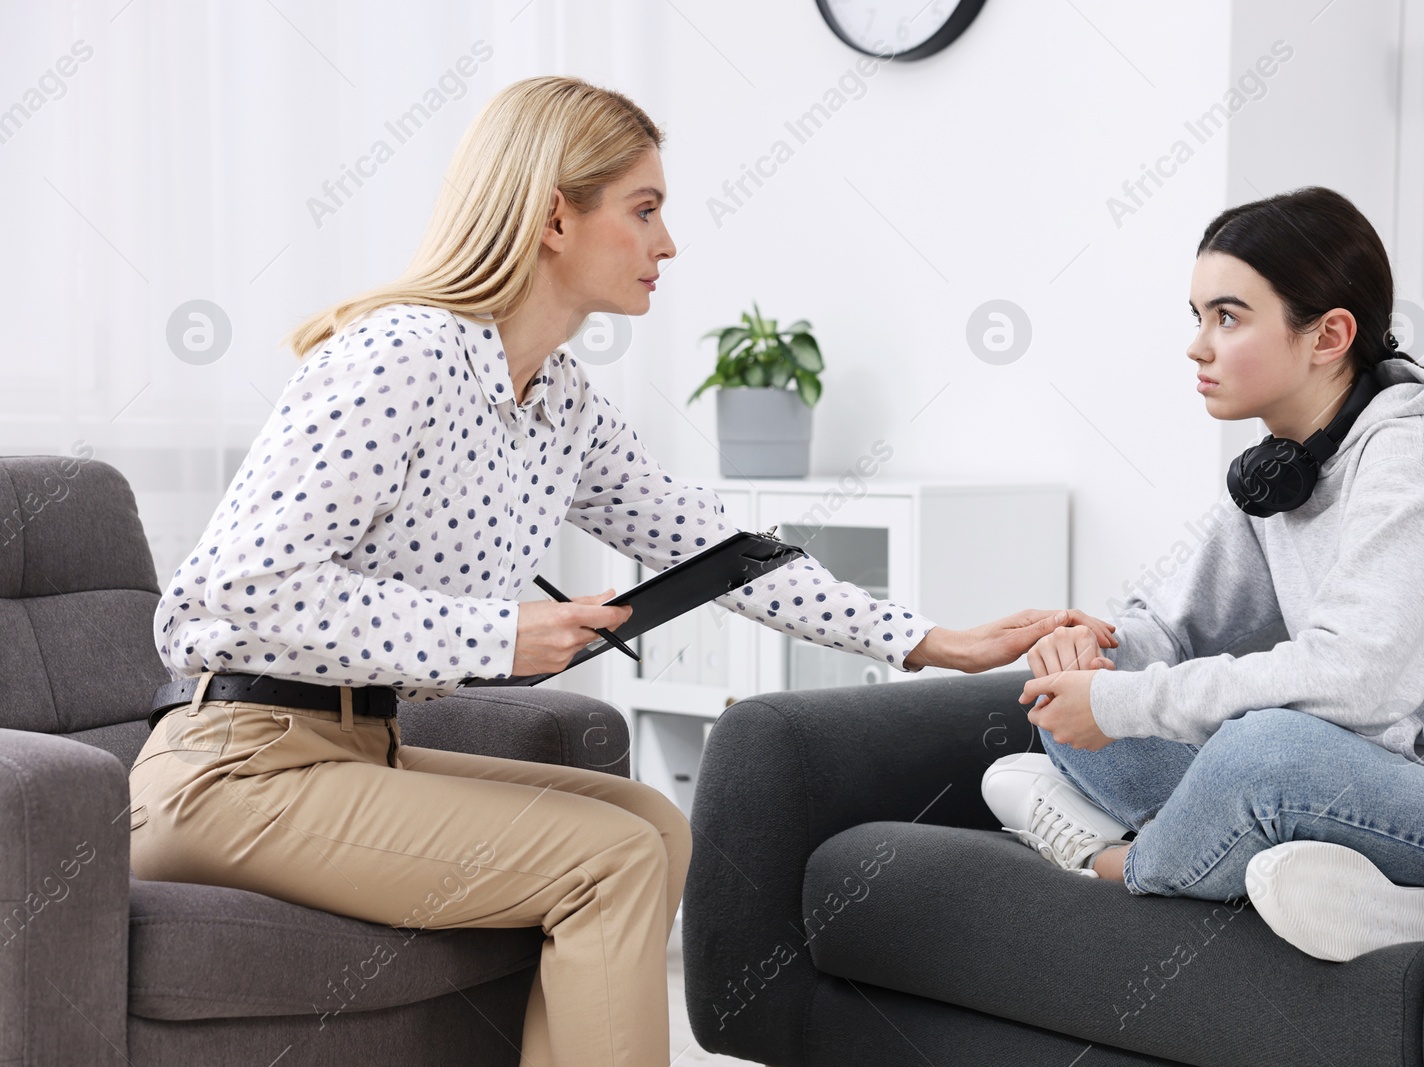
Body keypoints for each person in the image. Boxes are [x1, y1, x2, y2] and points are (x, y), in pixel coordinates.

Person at [129, 75, 1085, 1066]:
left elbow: (714, 551)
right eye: (643, 209)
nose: (667, 242)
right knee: (612, 858)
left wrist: (929, 638)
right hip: (230, 767)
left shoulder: (558, 399)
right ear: (553, 214)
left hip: (358, 749)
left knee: (649, 823)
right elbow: (239, 591)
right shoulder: (402, 356)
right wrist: (497, 635)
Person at [982, 186, 1424, 963]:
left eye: (1228, 317)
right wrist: (1095, 650)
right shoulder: (1285, 471)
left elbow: (1352, 681)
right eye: (1197, 315)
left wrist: (1122, 699)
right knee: (1069, 710)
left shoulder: (1420, 463)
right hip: (1393, 791)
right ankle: (1378, 899)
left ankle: (1114, 859)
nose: (1197, 346)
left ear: (1329, 334)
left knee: (1268, 752)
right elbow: (1176, 628)